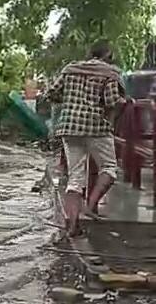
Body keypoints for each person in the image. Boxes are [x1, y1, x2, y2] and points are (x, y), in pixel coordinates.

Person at [46, 40, 127, 236]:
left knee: (75, 178)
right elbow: (111, 101)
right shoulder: (109, 73)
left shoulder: (71, 69)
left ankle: (73, 226)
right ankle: (91, 204)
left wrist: (71, 103)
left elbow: (52, 93)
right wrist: (124, 102)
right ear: (108, 54)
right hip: (96, 127)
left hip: (70, 127)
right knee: (109, 168)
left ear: (90, 53)